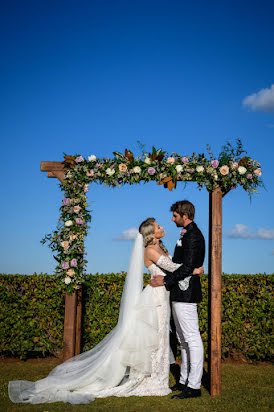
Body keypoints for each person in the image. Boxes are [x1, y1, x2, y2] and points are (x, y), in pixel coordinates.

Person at [8, 218, 203, 405]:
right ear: (151, 234)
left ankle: (158, 378)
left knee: (161, 338)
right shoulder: (151, 250)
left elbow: (172, 269)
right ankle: (151, 380)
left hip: (164, 294)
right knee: (156, 338)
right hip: (156, 297)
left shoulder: (160, 247)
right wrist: (194, 270)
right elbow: (172, 267)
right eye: (158, 226)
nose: (162, 227)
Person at [150, 201, 205, 400]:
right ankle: (183, 380)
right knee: (183, 339)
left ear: (184, 215)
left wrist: (165, 280)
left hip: (187, 293)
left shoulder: (193, 236)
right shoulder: (186, 234)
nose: (172, 219)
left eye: (175, 216)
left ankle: (194, 385)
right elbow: (183, 265)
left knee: (192, 338)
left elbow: (187, 266)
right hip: (178, 293)